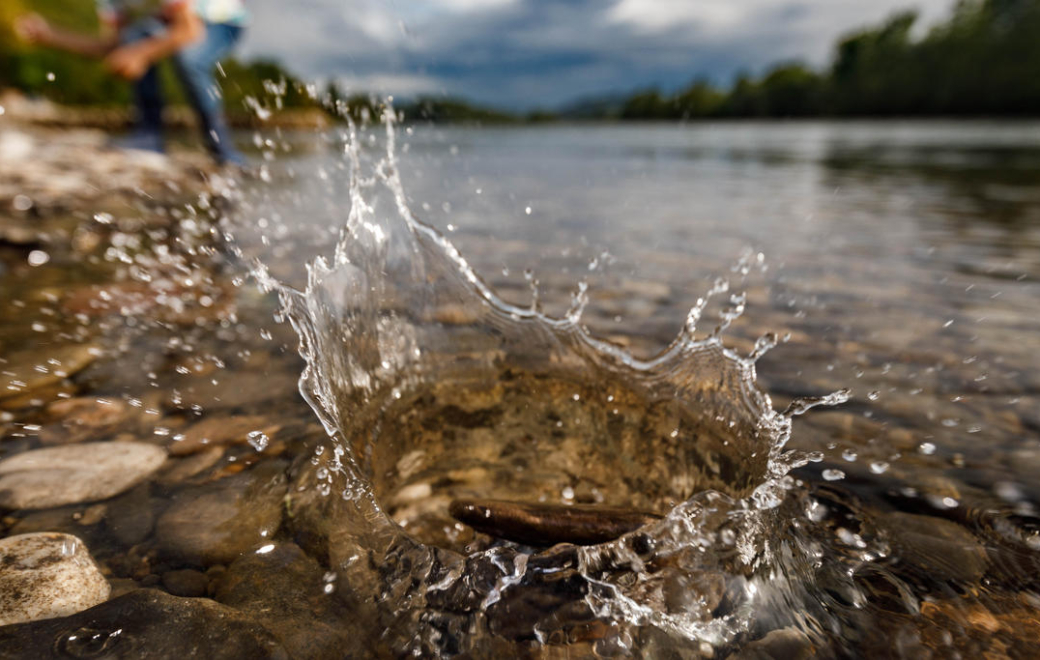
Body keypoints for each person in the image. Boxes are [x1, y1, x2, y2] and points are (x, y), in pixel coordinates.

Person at [15, 1, 247, 165]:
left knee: (190, 59)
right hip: (174, 23)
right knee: (134, 37)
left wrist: (140, 54)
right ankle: (149, 135)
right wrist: (49, 36)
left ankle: (223, 149)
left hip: (221, 20)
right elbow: (110, 48)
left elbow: (189, 31)